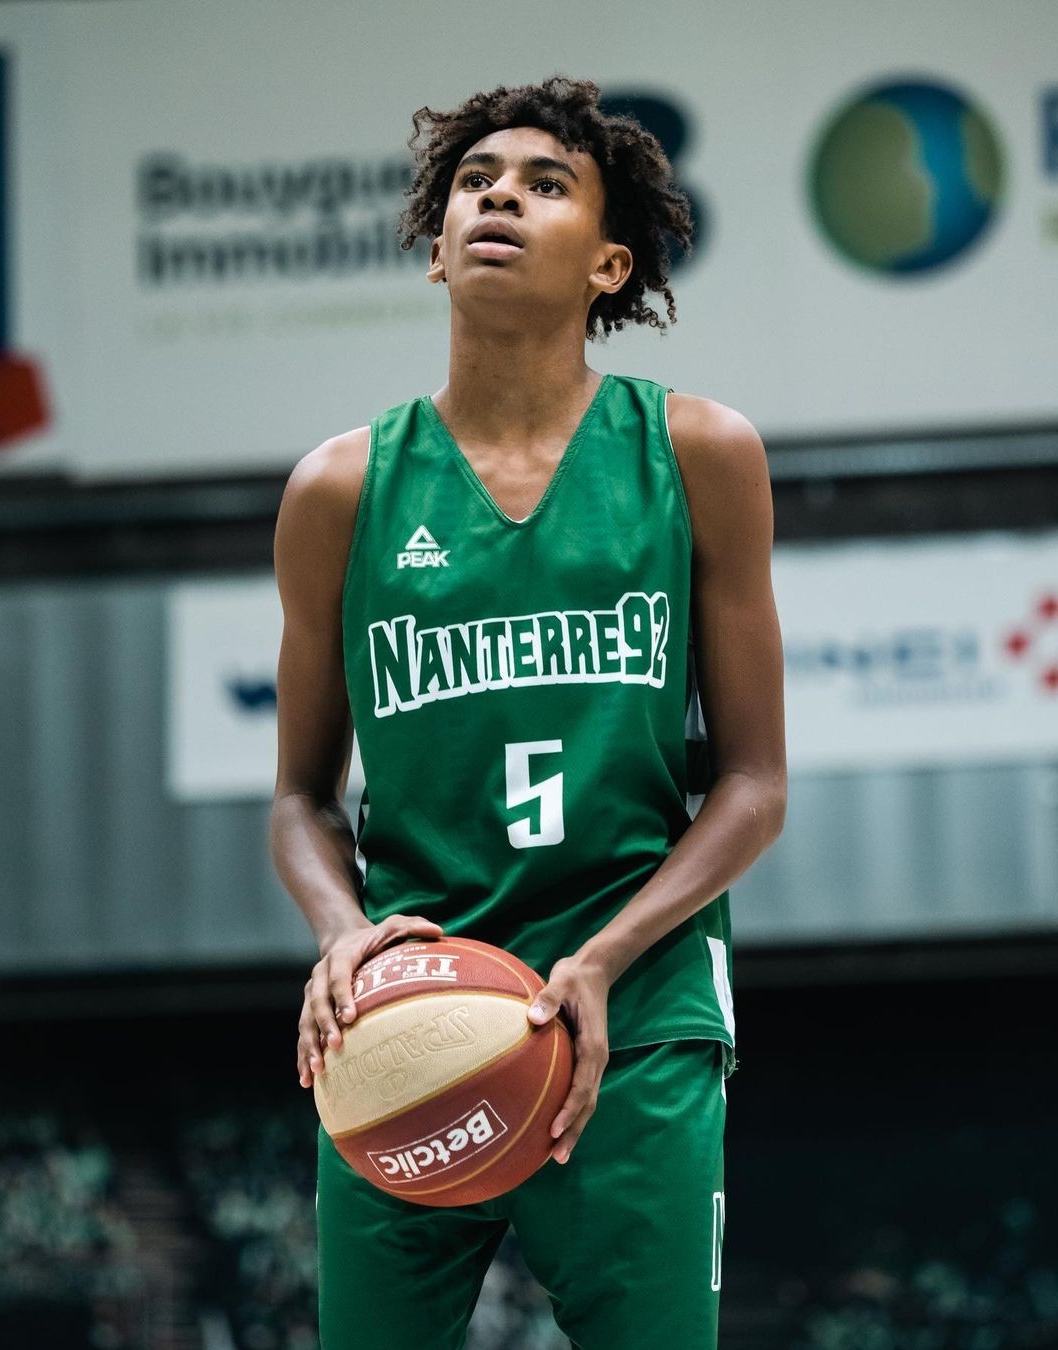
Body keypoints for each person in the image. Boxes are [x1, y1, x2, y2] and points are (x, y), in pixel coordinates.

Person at [270, 74, 786, 1350]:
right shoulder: (340, 488)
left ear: (611, 264)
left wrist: (604, 958)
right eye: (475, 182)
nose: (498, 196)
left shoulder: (700, 453)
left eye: (545, 184)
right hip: (407, 1017)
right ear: (436, 249)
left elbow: (754, 784)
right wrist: (343, 936)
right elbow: (298, 798)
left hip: (636, 1007)